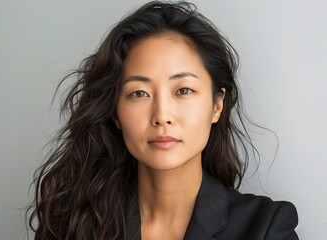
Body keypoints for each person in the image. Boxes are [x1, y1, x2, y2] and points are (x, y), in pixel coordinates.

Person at [28, 1, 299, 239]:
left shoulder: (266, 227)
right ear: (114, 112)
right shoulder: (70, 222)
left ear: (217, 105)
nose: (162, 116)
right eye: (139, 93)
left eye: (183, 90)